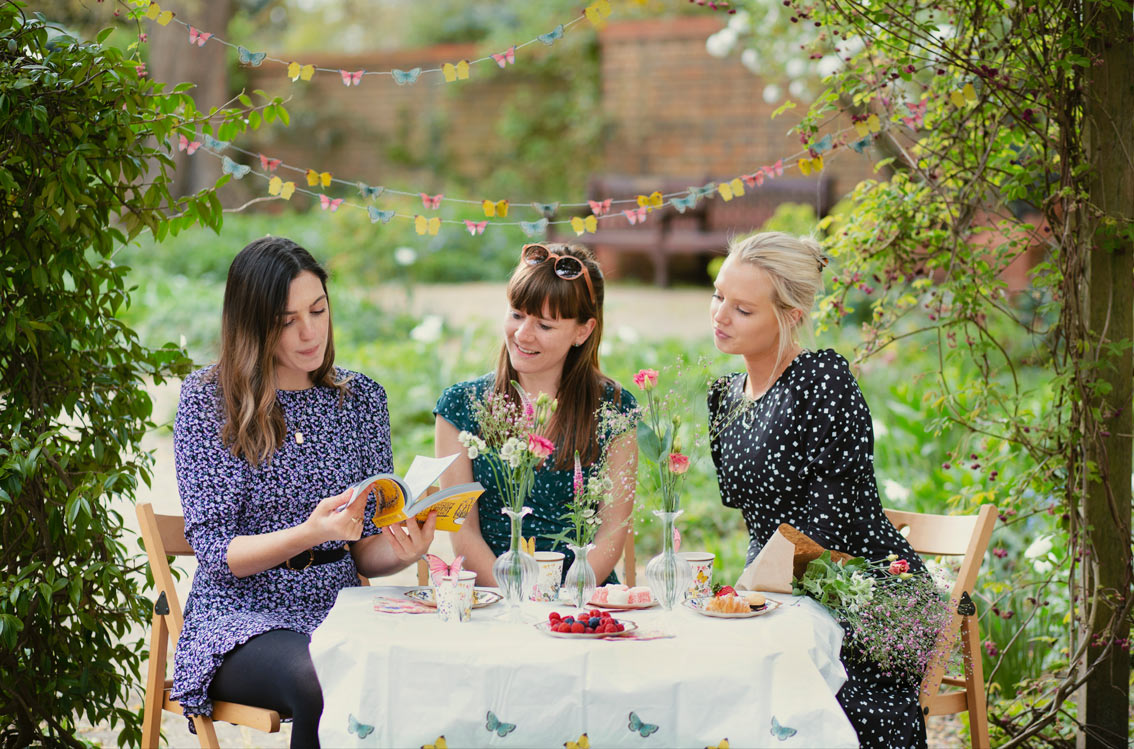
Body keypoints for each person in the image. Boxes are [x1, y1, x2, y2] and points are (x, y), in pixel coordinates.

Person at [170, 237, 435, 748]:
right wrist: (310, 533)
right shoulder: (210, 401)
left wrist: (406, 550)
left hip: (342, 607)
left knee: (422, 663)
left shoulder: (359, 400)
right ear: (253, 324)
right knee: (323, 676)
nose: (310, 331)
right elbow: (219, 556)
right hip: (239, 618)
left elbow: (363, 548)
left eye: (317, 310)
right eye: (286, 320)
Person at [706, 231, 926, 749]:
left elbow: (831, 523)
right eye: (718, 296)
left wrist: (751, 595)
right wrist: (747, 599)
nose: (720, 316)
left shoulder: (822, 378)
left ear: (790, 314)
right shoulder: (723, 397)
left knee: (781, 705)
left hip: (860, 597)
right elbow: (756, 523)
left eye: (742, 309)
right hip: (776, 596)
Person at [434, 243, 637, 586]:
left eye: (544, 325)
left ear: (582, 331)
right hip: (496, 596)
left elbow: (611, 532)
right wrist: (518, 603)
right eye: (516, 314)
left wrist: (562, 604)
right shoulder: (461, 406)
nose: (522, 334)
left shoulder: (614, 408)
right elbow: (463, 533)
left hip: (582, 600)